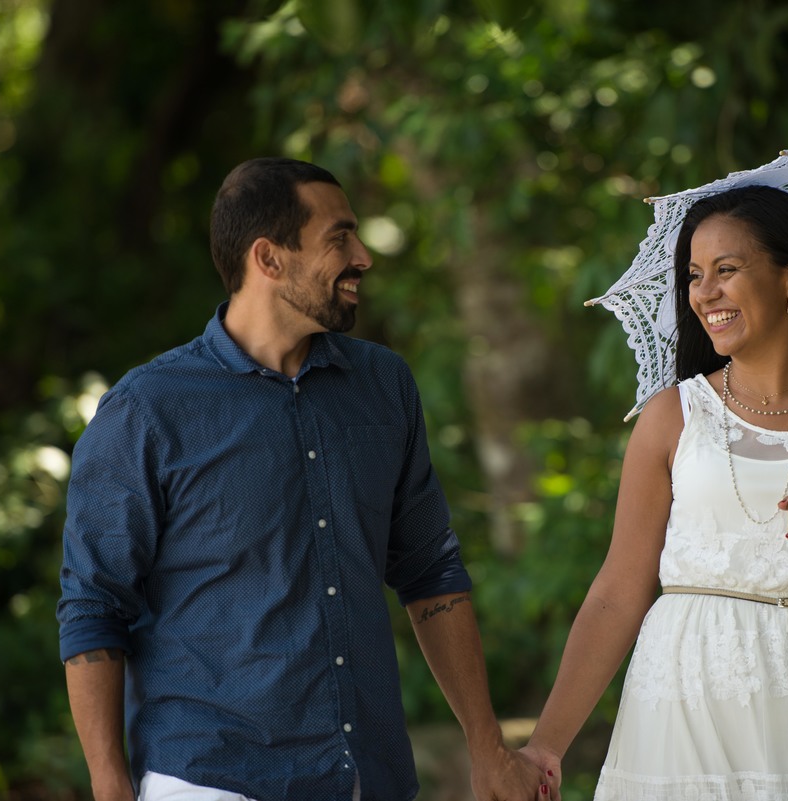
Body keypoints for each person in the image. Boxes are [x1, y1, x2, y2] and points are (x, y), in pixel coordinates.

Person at [57, 157, 551, 801]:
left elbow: (430, 572)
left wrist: (486, 750)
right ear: (269, 258)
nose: (364, 257)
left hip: (366, 778)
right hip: (211, 778)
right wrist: (109, 783)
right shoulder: (149, 410)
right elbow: (94, 606)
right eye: (339, 238)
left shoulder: (384, 386)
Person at [520, 185, 788, 800]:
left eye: (728, 270)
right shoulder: (672, 415)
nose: (704, 293)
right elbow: (619, 589)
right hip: (685, 707)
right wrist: (546, 746)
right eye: (694, 275)